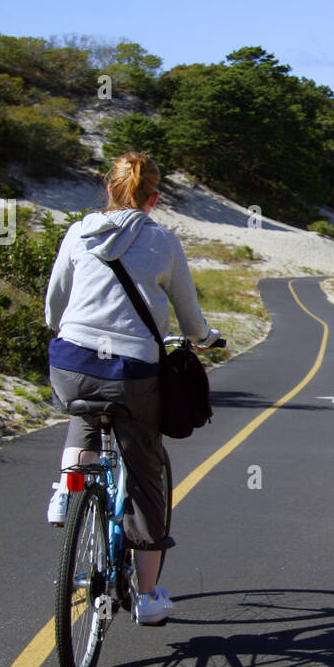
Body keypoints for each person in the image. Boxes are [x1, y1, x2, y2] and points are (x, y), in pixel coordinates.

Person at [43, 152, 219, 625]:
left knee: (85, 412)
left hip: (71, 360)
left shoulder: (79, 231)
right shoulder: (162, 241)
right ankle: (147, 597)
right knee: (143, 469)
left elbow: (54, 304)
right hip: (131, 371)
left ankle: (67, 487)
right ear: (153, 198)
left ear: (109, 190)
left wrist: (71, 329)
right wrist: (204, 339)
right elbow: (188, 314)